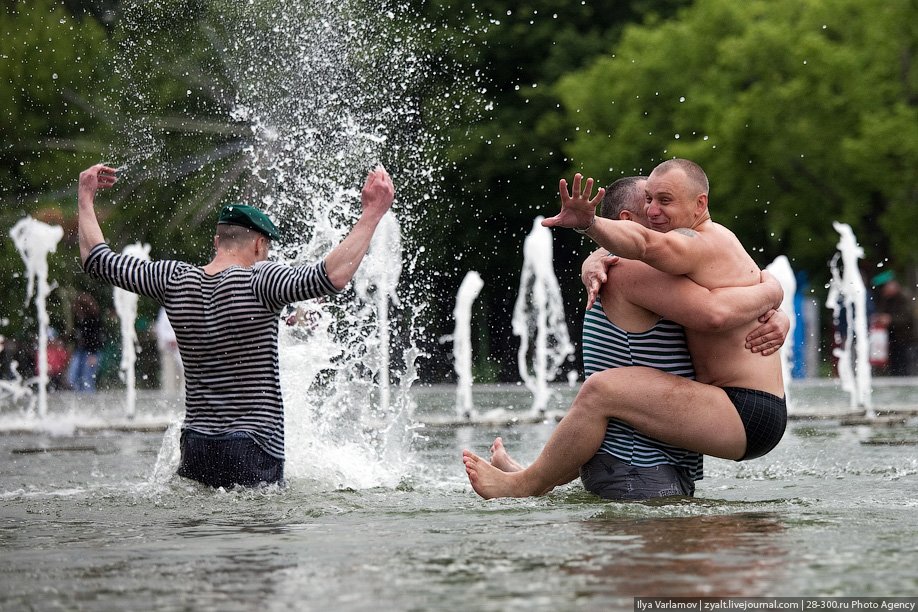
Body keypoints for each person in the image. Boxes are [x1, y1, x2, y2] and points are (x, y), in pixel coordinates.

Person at [464, 159, 787, 498]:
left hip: (746, 409)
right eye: (648, 203)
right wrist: (771, 294)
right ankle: (534, 475)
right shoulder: (674, 257)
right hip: (743, 407)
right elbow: (648, 249)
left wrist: (774, 295)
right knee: (611, 396)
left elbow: (704, 301)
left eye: (663, 201)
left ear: (699, 204)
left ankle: (525, 485)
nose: (653, 212)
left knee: (604, 390)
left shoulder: (698, 242)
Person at [77, 163, 395, 488]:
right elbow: (333, 275)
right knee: (257, 531)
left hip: (196, 444)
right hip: (252, 446)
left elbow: (97, 260)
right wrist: (372, 213)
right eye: (266, 249)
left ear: (217, 241)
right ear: (259, 245)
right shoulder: (262, 279)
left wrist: (85, 199)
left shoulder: (172, 278)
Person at [871, 271, 913, 376]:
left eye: (884, 287)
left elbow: (909, 318)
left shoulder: (905, 297)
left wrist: (890, 319)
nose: (883, 291)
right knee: (895, 370)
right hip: (894, 341)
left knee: (906, 370)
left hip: (908, 341)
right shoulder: (887, 299)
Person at [67, 291, 104, 392]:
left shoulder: (94, 319)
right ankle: (78, 401)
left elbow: (97, 337)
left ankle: (89, 404)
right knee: (73, 378)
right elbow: (77, 335)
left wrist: (93, 354)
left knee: (87, 380)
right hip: (80, 351)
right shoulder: (79, 319)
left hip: (91, 352)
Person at [154, 307, 183, 395]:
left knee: (184, 378)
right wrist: (170, 340)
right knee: (169, 376)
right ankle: (168, 400)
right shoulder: (164, 310)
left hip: (183, 350)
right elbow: (160, 328)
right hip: (168, 350)